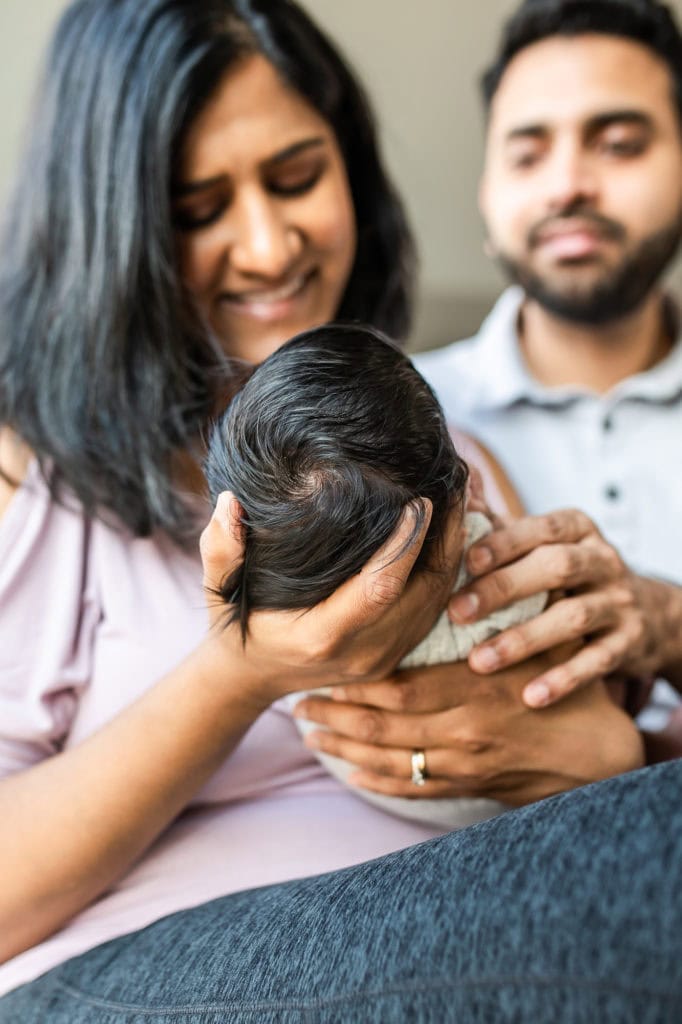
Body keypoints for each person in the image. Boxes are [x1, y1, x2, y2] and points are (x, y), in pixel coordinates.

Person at [0, 1, 677, 1019]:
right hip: (146, 969)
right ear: (112, 230)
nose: (270, 247)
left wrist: (603, 756)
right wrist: (244, 672)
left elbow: (558, 733)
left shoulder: (447, 452)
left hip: (468, 916)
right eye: (197, 208)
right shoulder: (27, 472)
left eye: (296, 179)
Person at [413, 0, 682, 736]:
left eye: (620, 144)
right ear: (487, 193)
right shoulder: (402, 417)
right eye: (527, 155)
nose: (567, 186)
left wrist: (671, 626)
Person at [205, 322, 551, 830]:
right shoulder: (493, 574)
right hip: (489, 801)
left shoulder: (271, 624)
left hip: (366, 777)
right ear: (461, 496)